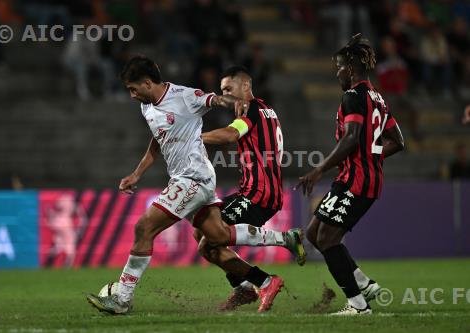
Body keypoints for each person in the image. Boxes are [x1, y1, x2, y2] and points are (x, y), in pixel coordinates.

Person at [86, 55, 304, 314]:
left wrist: (232, 101)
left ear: (146, 83)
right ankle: (266, 275)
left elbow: (215, 100)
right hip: (185, 176)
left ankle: (122, 298)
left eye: (133, 89)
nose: (132, 95)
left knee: (145, 227)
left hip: (194, 177)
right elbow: (158, 139)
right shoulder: (147, 107)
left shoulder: (184, 96)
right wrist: (137, 173)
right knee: (214, 238)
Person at [296, 34, 404, 315]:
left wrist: (319, 169)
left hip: (357, 181)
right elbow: (398, 141)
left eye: (339, 67)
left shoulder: (353, 96)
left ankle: (358, 305)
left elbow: (351, 138)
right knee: (313, 233)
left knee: (328, 240)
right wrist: (372, 155)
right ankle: (362, 282)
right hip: (353, 177)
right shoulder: (377, 98)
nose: (337, 72)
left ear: (352, 69)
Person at [198, 66, 305, 312]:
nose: (224, 95)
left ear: (245, 86)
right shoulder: (266, 109)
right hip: (257, 189)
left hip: (258, 193)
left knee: (209, 242)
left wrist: (193, 136)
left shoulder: (252, 109)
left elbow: (230, 135)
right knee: (201, 225)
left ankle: (268, 271)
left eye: (228, 89)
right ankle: (244, 288)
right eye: (221, 90)